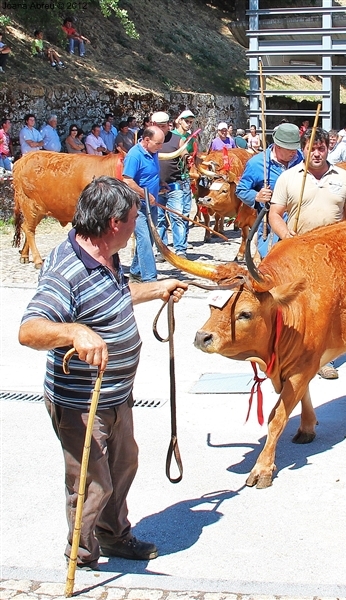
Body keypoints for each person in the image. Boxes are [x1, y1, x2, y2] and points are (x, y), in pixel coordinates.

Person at [18, 176, 187, 571]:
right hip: (82, 402)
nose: (137, 224)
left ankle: (114, 536)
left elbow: (116, 296)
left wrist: (157, 288)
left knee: (123, 464)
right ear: (114, 222)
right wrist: (73, 331)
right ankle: (81, 551)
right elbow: (30, 329)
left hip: (116, 393)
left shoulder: (105, 254)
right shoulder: (67, 270)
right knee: (91, 484)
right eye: (134, 217)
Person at [269, 127, 346, 381]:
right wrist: (286, 236)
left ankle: (323, 359)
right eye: (311, 149)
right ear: (302, 149)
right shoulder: (288, 177)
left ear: (328, 148)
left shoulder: (343, 176)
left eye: (321, 148)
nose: (316, 153)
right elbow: (275, 213)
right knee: (295, 305)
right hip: (299, 252)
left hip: (333, 255)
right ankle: (290, 350)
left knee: (330, 308)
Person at [236, 122, 303, 258]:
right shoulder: (257, 163)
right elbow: (241, 189)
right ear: (278, 146)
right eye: (289, 149)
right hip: (271, 226)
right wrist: (257, 196)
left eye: (295, 147)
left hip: (300, 224)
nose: (294, 152)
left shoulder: (302, 159)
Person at [123, 125, 165, 282]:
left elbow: (152, 173)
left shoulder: (153, 152)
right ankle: (149, 278)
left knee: (151, 238)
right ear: (147, 140)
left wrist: (161, 183)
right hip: (137, 206)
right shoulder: (134, 155)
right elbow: (127, 180)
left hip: (152, 204)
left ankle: (136, 271)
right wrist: (145, 194)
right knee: (144, 240)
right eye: (158, 143)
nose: (160, 147)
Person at [156, 111, 194, 259]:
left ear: (168, 125)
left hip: (174, 184)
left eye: (163, 126)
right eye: (158, 126)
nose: (161, 128)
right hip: (155, 186)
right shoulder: (149, 139)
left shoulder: (177, 138)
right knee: (159, 219)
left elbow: (183, 151)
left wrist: (186, 156)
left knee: (177, 217)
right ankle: (162, 250)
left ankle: (180, 250)